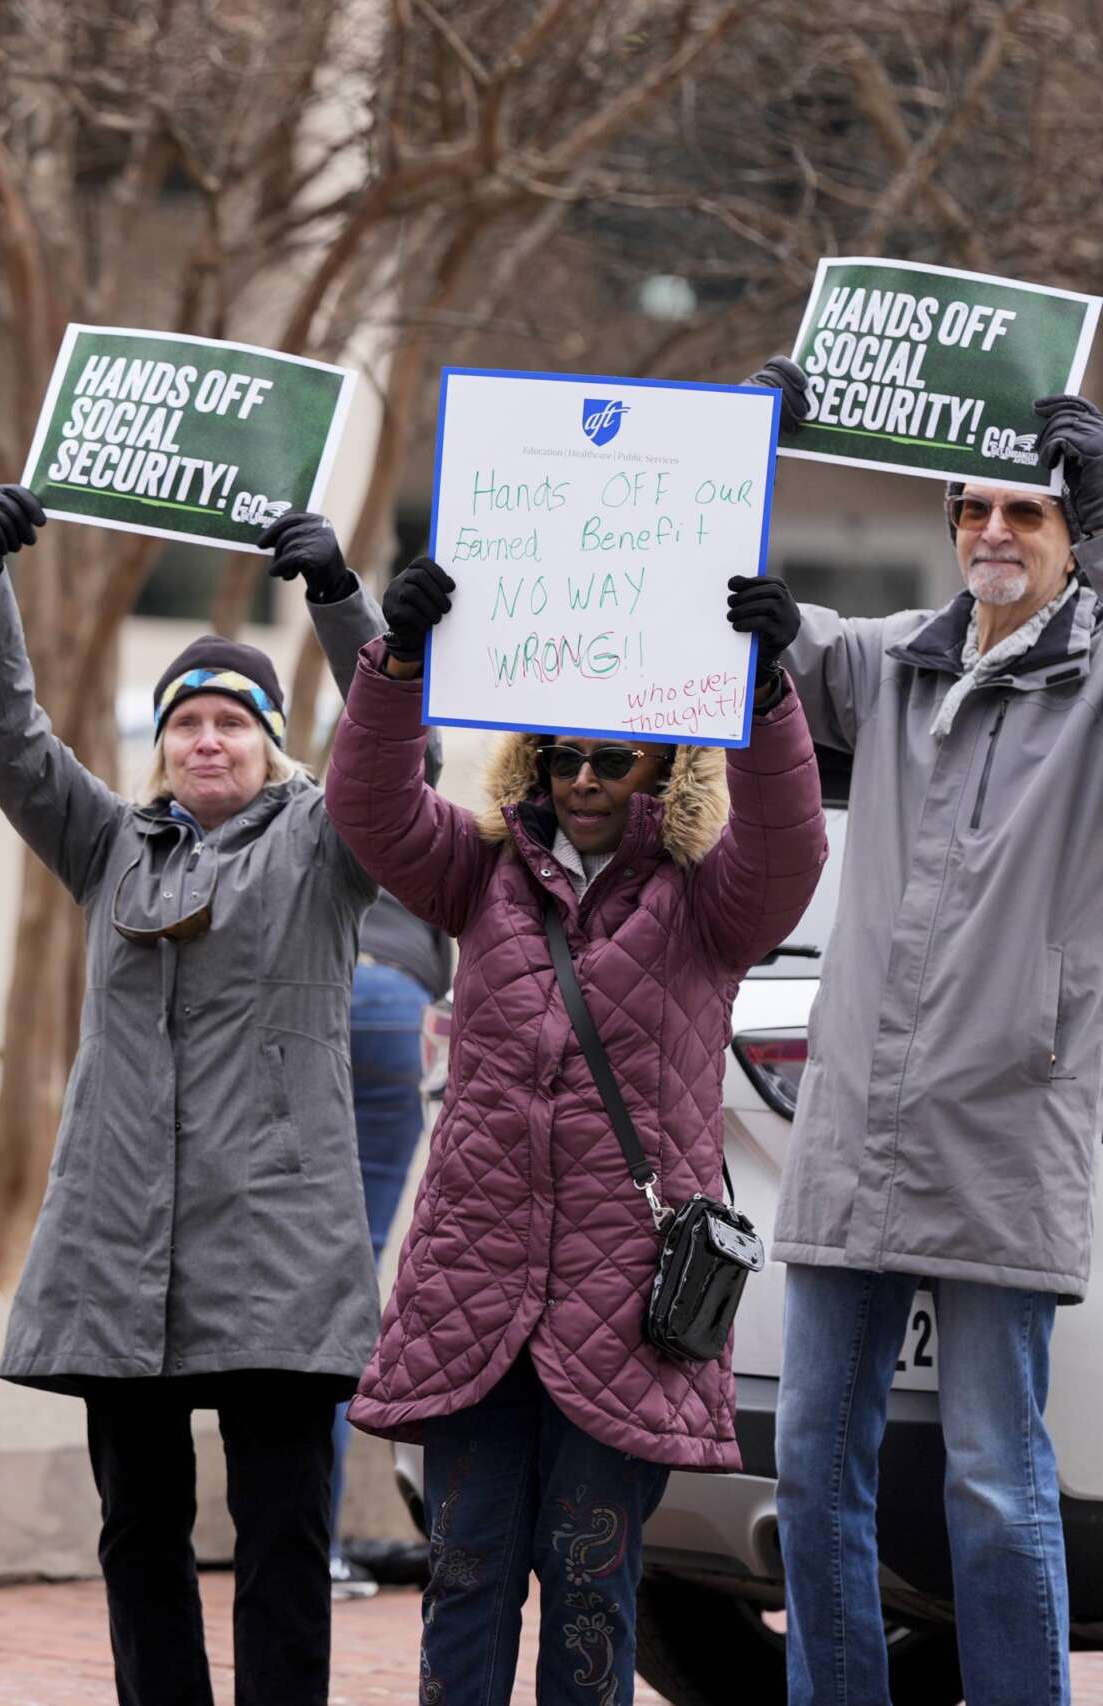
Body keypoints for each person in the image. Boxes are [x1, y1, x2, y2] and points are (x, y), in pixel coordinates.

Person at [323, 553, 824, 1704]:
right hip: (472, 1293)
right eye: (563, 754)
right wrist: (395, 668)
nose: (585, 776)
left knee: (594, 1591)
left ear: (663, 763)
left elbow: (792, 850)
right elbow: (369, 805)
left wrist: (764, 696)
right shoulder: (479, 875)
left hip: (623, 1311)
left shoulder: (709, 905)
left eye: (612, 756)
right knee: (464, 1578)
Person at [0, 485, 389, 1706]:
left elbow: (403, 755)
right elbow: (7, 746)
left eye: (232, 723)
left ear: (271, 742)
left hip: (276, 1251)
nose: (207, 740)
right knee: (138, 1533)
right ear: (161, 744)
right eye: (186, 721)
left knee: (283, 1535)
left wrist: (341, 604)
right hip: (118, 1247)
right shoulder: (109, 847)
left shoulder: (325, 844)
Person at [746, 356, 1103, 1706]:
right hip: (855, 1131)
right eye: (974, 512)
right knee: (810, 1467)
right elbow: (719, 623)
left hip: (1008, 1127)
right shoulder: (889, 659)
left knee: (998, 1477)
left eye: (1029, 513)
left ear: (1073, 539)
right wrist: (742, 451)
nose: (995, 534)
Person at [328, 887, 451, 1600]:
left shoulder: (314, 812)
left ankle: (308, 1544)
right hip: (400, 1011)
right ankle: (327, 1551)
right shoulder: (426, 822)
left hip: (317, 1002)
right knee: (351, 1273)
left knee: (299, 1279)